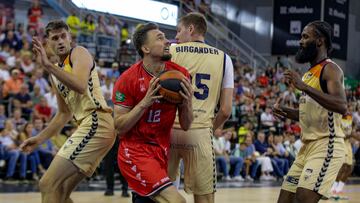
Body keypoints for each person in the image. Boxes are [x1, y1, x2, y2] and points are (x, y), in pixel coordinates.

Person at [20, 20, 115, 203]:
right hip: (89, 127)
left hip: (97, 122)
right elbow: (63, 114)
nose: (61, 41)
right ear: (48, 43)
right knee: (60, 192)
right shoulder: (56, 73)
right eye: (55, 38)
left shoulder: (79, 53)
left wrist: (48, 65)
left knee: (47, 184)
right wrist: (39, 139)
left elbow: (80, 85)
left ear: (70, 37)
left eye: (63, 36)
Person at [112, 23, 193, 203]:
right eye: (160, 38)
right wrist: (145, 103)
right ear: (145, 48)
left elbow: (186, 125)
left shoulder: (180, 75)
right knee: (177, 201)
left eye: (165, 37)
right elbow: (119, 127)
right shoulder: (127, 79)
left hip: (162, 150)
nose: (168, 42)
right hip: (135, 150)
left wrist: (187, 103)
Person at [274, 21, 347, 203]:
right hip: (306, 148)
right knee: (284, 200)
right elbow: (309, 113)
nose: (300, 41)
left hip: (326, 145)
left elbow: (341, 105)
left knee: (303, 199)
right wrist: (286, 112)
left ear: (320, 41)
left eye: (305, 37)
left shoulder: (330, 69)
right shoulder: (308, 74)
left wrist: (304, 87)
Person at [168, 12, 234, 203]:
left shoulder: (172, 51)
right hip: (200, 132)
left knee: (163, 195)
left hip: (168, 132)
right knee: (204, 199)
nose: (177, 36)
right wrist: (209, 130)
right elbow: (226, 110)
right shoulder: (224, 59)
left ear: (191, 29)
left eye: (179, 31)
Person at [330, 109, 354, 199]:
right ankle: (333, 189)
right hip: (341, 143)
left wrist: (351, 134)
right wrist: (352, 135)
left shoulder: (349, 117)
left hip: (348, 144)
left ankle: (339, 189)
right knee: (342, 166)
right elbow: (341, 134)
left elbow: (349, 131)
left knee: (349, 168)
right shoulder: (337, 118)